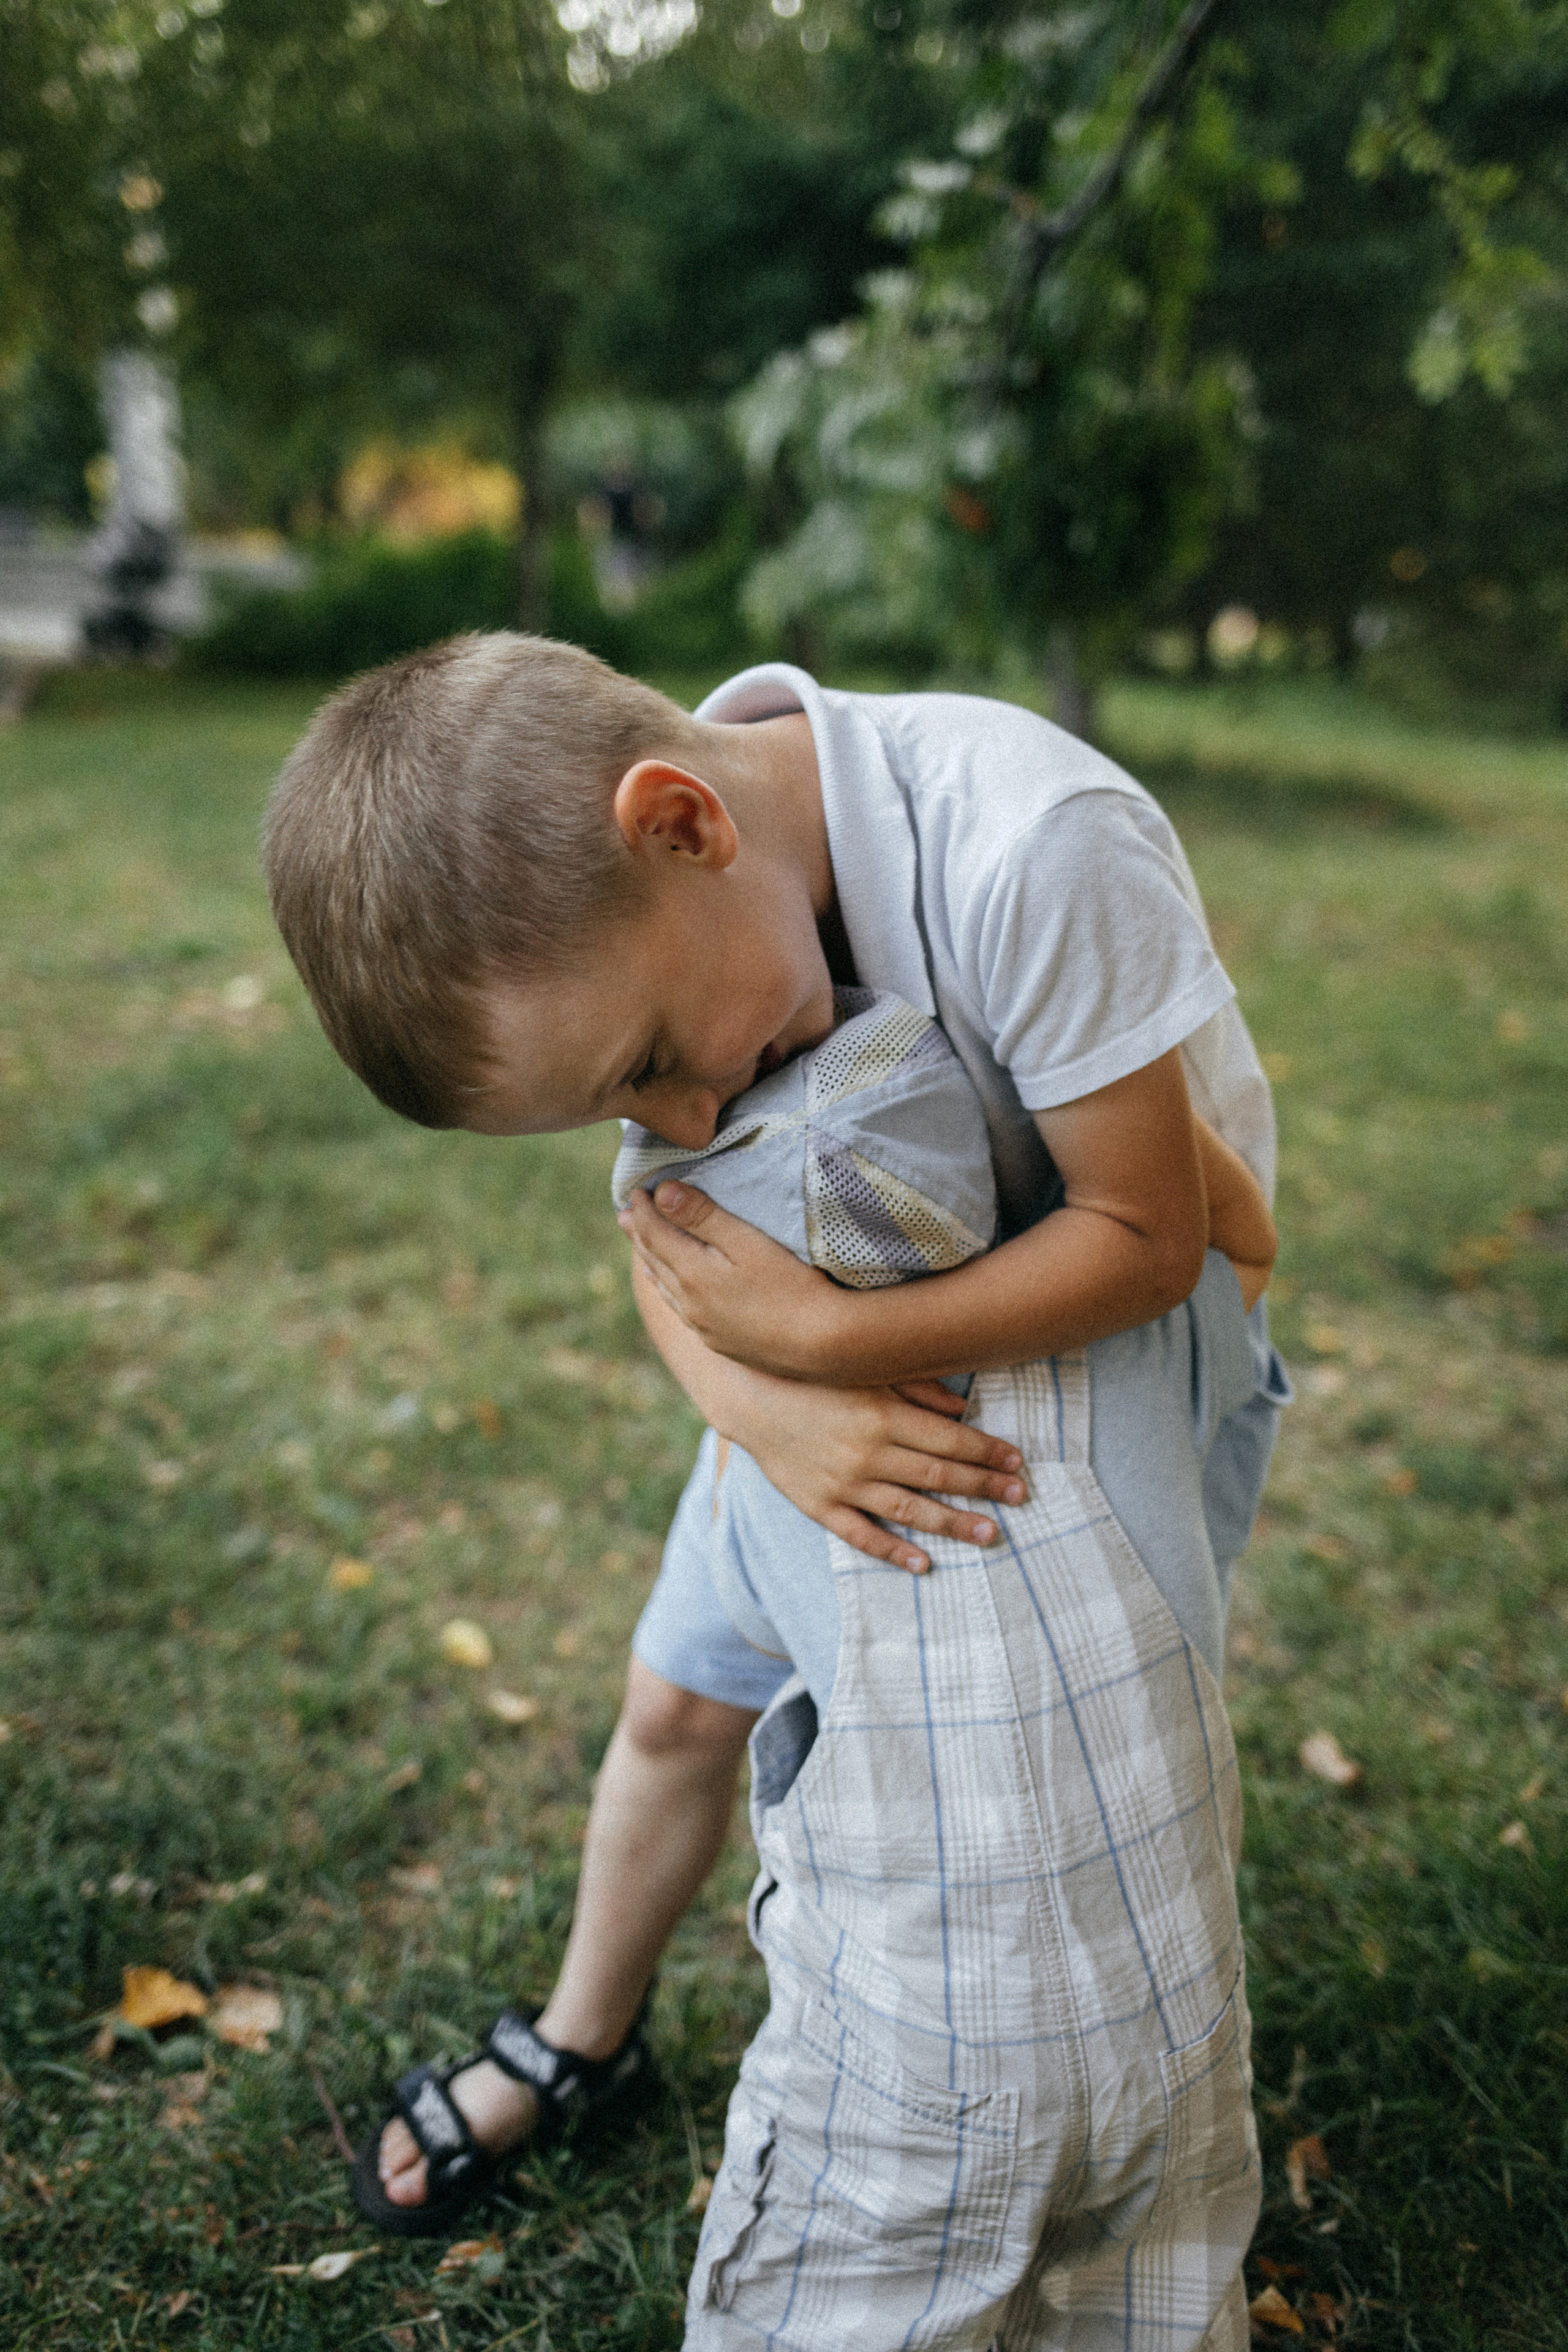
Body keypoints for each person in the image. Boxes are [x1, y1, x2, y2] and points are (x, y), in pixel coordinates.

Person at [261, 637, 1289, 2340]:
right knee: (676, 1705)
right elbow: (663, 1240)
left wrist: (814, 1337)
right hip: (808, 1394)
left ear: (679, 823)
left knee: (1025, 1809)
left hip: (1083, 1362)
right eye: (629, 1098)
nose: (685, 1109)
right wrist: (770, 1396)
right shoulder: (658, 950)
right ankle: (585, 2033)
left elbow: (1153, 1233)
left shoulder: (1025, 844)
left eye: (659, 1060)